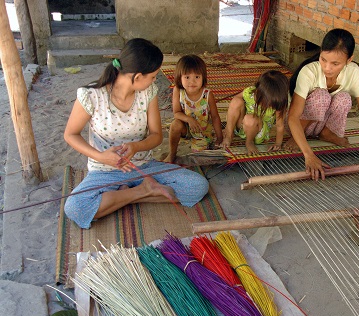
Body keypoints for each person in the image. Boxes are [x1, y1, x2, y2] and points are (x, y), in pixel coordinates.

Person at [63, 38, 209, 229]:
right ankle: (141, 192)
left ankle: (121, 197)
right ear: (138, 77)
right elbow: (71, 134)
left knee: (198, 187)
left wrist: (136, 147)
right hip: (105, 171)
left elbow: (157, 135)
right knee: (75, 208)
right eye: (153, 76)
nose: (155, 80)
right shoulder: (92, 96)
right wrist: (101, 157)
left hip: (144, 167)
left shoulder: (148, 93)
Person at [285, 28, 359, 180]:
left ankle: (326, 133)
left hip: (322, 123)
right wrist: (309, 155)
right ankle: (298, 137)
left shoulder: (354, 72)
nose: (327, 68)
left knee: (344, 98)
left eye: (335, 63)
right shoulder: (309, 72)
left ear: (349, 60)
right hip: (298, 123)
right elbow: (293, 117)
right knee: (322, 96)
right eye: (323, 59)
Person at [165, 54, 223, 163]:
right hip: (186, 128)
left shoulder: (207, 94)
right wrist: (189, 120)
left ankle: (204, 144)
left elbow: (215, 117)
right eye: (187, 77)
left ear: (203, 77)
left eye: (197, 77)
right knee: (175, 125)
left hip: (202, 132)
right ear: (179, 77)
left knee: (199, 159)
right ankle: (172, 154)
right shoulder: (178, 90)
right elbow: (176, 113)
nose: (192, 82)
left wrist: (220, 138)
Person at [221, 70, 289, 155]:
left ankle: (249, 141)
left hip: (258, 132)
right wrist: (228, 127)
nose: (269, 105)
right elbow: (234, 105)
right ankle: (229, 134)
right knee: (236, 101)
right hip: (242, 127)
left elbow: (280, 126)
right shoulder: (250, 92)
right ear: (258, 91)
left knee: (250, 118)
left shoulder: (277, 104)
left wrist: (278, 144)